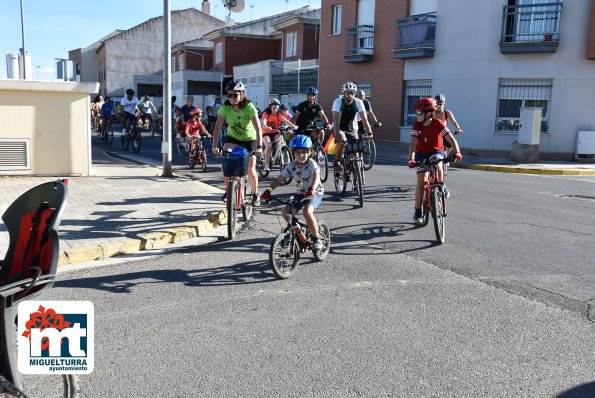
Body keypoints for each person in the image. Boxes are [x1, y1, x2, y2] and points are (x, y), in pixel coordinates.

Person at [260, 135, 324, 250]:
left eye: (304, 152)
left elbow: (316, 176)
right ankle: (299, 230)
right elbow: (279, 179)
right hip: (300, 193)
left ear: (309, 152)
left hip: (314, 192)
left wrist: (312, 189)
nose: (301, 155)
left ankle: (316, 238)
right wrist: (268, 191)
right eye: (298, 152)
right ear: (293, 153)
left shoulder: (311, 164)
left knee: (307, 212)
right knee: (286, 213)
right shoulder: (292, 166)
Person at [407, 98, 462, 224]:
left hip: (436, 152)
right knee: (421, 182)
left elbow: (451, 139)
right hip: (421, 154)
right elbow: (413, 143)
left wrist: (457, 152)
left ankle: (441, 185)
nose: (417, 115)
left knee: (438, 163)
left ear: (429, 113)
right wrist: (411, 159)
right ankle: (418, 212)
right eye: (417, 112)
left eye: (420, 112)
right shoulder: (417, 125)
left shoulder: (438, 124)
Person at [212, 80, 264, 206]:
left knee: (251, 169)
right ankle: (229, 190)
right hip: (233, 139)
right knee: (225, 162)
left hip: (249, 139)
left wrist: (259, 146)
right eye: (229, 95)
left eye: (235, 95)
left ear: (242, 94)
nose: (232, 98)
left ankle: (255, 194)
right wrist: (214, 145)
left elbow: (258, 128)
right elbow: (218, 127)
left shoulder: (248, 107)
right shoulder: (225, 107)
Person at [331, 82, 373, 171]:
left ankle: (353, 170)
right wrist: (337, 135)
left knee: (355, 147)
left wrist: (369, 133)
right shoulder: (338, 102)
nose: (350, 95)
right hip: (339, 127)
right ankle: (337, 160)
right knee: (342, 141)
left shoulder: (358, 102)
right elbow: (336, 121)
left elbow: (364, 120)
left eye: (352, 93)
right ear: (344, 93)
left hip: (351, 128)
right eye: (348, 93)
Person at [261, 98, 296, 172]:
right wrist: (267, 127)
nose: (275, 110)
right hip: (266, 132)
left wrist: (293, 126)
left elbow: (285, 121)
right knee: (269, 145)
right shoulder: (266, 113)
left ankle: (278, 154)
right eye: (273, 108)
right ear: (270, 107)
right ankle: (266, 165)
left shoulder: (278, 114)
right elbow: (263, 123)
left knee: (280, 139)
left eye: (277, 108)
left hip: (275, 132)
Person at [433, 93, 463, 168]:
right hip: (433, 134)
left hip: (443, 133)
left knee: (450, 144)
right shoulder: (432, 113)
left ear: (444, 103)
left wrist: (458, 129)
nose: (439, 106)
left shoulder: (447, 113)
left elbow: (454, 122)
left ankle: (444, 155)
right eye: (437, 103)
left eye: (441, 103)